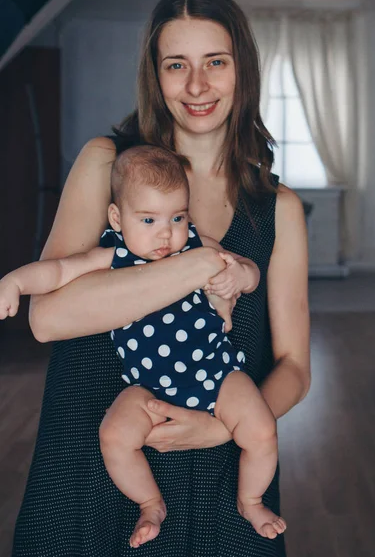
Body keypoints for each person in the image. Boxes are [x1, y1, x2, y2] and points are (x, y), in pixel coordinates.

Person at [12, 0, 310, 557]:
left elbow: (295, 366)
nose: (197, 87)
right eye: (177, 65)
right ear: (156, 76)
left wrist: (224, 427)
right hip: (94, 463)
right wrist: (197, 264)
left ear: (241, 70)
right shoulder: (108, 163)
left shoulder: (279, 207)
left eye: (215, 63)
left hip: (224, 477)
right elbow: (48, 318)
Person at [1, 145, 287, 547]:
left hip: (216, 373)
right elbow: (59, 270)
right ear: (117, 218)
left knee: (260, 427)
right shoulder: (115, 254)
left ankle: (251, 499)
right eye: (148, 219)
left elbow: (246, 267)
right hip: (147, 386)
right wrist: (15, 282)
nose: (165, 232)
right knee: (114, 435)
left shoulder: (192, 242)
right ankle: (150, 503)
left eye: (177, 216)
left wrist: (240, 277)